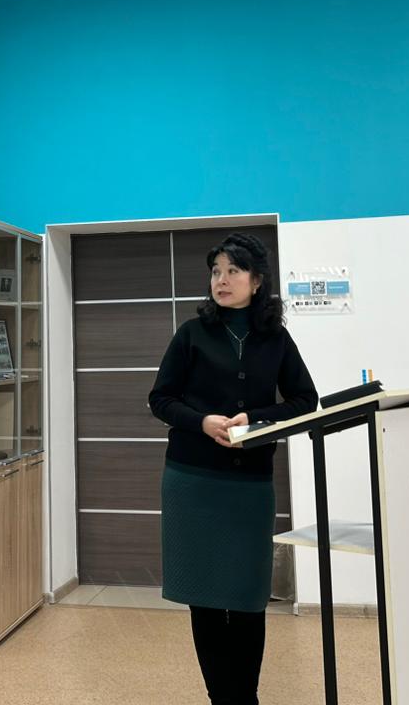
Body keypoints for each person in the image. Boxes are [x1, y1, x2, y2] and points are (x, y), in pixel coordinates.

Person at [148, 232, 319, 705]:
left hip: (249, 487)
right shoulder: (191, 334)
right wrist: (201, 421)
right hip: (192, 483)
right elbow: (160, 399)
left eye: (233, 271)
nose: (221, 280)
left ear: (257, 281)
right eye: (216, 271)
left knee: (247, 597)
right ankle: (221, 698)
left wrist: (258, 418)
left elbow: (305, 400)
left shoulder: (275, 339)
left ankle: (246, 697)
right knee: (203, 597)